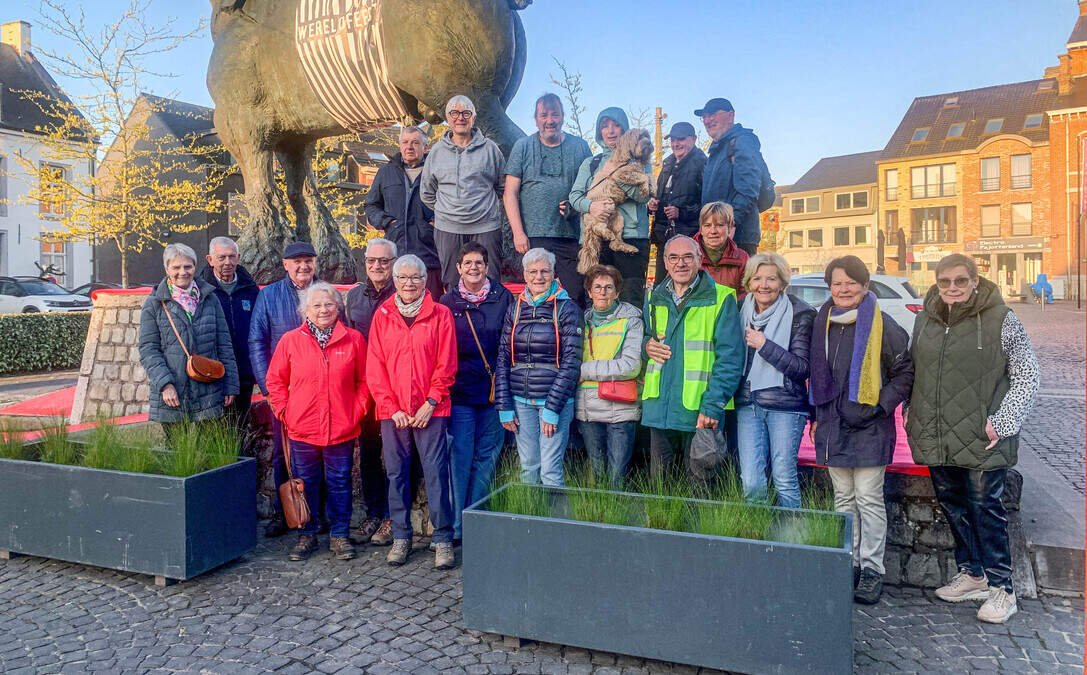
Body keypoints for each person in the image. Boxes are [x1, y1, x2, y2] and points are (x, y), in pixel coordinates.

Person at [907, 254, 1039, 624]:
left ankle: (1003, 588)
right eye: (945, 281)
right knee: (952, 503)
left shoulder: (1001, 319)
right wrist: (908, 409)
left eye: (960, 281)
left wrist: (1004, 421)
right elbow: (913, 366)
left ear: (975, 282)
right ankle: (974, 574)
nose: (952, 288)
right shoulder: (925, 319)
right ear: (936, 282)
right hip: (936, 430)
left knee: (985, 510)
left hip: (984, 435)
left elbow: (1028, 373)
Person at [809, 255, 914, 605]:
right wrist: (816, 419)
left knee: (868, 499)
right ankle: (848, 562)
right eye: (837, 283)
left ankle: (872, 569)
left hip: (870, 427)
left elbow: (905, 374)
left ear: (865, 286)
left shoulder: (884, 327)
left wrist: (880, 405)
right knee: (843, 499)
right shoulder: (822, 323)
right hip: (833, 426)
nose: (843, 289)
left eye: (851, 282)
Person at [366, 254, 458, 570]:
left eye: (415, 277)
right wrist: (392, 408)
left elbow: (447, 364)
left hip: (432, 409)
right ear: (394, 280)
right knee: (396, 474)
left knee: (436, 473)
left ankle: (442, 539)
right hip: (394, 414)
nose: (409, 283)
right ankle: (401, 537)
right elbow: (375, 367)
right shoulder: (383, 315)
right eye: (403, 277)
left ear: (424, 280)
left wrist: (430, 402)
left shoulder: (441, 314)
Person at [265, 282, 369, 562]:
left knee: (339, 482)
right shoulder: (290, 341)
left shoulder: (354, 340)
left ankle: (339, 535)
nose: (323, 310)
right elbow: (275, 381)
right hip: (302, 428)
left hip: (341, 428)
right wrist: (286, 412)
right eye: (317, 305)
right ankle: (307, 535)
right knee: (305, 483)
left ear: (338, 308)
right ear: (305, 310)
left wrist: (355, 411)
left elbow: (364, 382)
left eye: (329, 304)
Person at [641, 235, 743, 477]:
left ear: (700, 260)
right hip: (659, 407)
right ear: (665, 262)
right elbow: (644, 339)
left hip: (699, 409)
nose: (681, 263)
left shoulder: (722, 298)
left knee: (699, 490)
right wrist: (645, 346)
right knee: (659, 489)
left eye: (688, 256)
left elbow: (730, 360)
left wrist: (713, 405)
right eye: (674, 257)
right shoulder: (653, 298)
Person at [439, 242, 514, 541]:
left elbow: (510, 342)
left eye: (479, 263)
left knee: (487, 458)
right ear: (458, 267)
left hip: (495, 392)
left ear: (486, 266)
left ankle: (475, 520)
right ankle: (458, 526)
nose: (473, 268)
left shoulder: (503, 297)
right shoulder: (447, 302)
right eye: (467, 263)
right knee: (460, 458)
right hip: (460, 394)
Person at [249, 241, 319, 538]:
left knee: (319, 453)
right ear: (286, 265)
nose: (303, 267)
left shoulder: (324, 292)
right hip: (285, 390)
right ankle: (282, 512)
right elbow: (257, 341)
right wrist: (268, 387)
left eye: (308, 261)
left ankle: (317, 511)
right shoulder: (269, 296)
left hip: (319, 390)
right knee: (283, 453)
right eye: (297, 262)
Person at [495, 248, 582, 486]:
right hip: (521, 401)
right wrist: (504, 404)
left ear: (554, 274)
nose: (539, 277)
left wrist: (553, 408)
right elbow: (503, 356)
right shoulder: (515, 309)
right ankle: (529, 521)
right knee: (528, 468)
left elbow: (571, 363)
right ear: (524, 274)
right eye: (533, 272)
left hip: (554, 402)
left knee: (551, 471)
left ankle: (552, 522)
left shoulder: (567, 309)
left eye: (544, 271)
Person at [734, 253, 814, 508]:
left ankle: (793, 540)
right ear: (749, 282)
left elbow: (802, 368)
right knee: (751, 481)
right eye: (757, 278)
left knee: (784, 478)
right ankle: (758, 538)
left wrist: (764, 345)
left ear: (782, 282)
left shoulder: (801, 314)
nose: (764, 285)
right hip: (748, 404)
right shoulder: (740, 309)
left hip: (786, 406)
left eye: (771, 279)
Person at [503, 93, 592, 305]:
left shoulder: (580, 147)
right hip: (533, 237)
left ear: (563, 117)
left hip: (571, 236)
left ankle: (572, 336)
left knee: (574, 295)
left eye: (555, 115)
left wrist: (575, 207)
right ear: (536, 119)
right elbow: (510, 193)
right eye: (544, 115)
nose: (549, 120)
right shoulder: (523, 147)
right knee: (537, 294)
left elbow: (591, 190)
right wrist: (518, 233)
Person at [139, 243, 239, 428]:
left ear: (195, 266)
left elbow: (224, 344)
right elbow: (148, 350)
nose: (182, 272)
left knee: (211, 450)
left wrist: (231, 384)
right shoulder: (154, 305)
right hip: (174, 393)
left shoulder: (210, 298)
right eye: (176, 267)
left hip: (209, 388)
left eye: (188, 266)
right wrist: (165, 384)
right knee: (178, 453)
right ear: (167, 268)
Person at [344, 238, 398, 546]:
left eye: (384, 261)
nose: (377, 266)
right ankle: (373, 513)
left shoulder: (402, 294)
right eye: (371, 261)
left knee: (395, 458)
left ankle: (393, 515)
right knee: (367, 455)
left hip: (394, 389)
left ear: (393, 262)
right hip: (364, 389)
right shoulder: (353, 297)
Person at [569, 107, 652, 307]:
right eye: (605, 126)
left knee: (630, 299)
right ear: (599, 131)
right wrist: (592, 206)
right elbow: (574, 197)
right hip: (597, 239)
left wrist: (615, 174)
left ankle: (632, 337)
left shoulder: (641, 160)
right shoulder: (591, 163)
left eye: (616, 125)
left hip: (631, 239)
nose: (611, 131)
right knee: (597, 301)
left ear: (625, 130)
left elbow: (643, 197)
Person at [421, 95, 506, 288]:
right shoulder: (436, 152)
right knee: (452, 282)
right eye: (455, 113)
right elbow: (426, 192)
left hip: (486, 226)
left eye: (466, 113)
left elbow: (502, 187)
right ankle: (455, 318)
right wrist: (447, 210)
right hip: (448, 228)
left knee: (490, 282)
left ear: (473, 118)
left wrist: (483, 207)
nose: (461, 117)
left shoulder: (490, 150)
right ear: (447, 118)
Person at [576, 264, 644, 489]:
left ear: (617, 292)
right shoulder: (581, 322)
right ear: (589, 292)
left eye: (608, 287)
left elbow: (631, 365)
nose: (602, 292)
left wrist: (585, 371)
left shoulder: (631, 320)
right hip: (587, 407)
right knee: (596, 474)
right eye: (597, 287)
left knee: (617, 478)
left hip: (620, 407)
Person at [364, 126, 443, 299]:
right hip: (395, 254)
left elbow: (451, 204)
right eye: (405, 142)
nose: (410, 147)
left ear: (425, 147)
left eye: (415, 142)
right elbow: (371, 206)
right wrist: (387, 223)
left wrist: (434, 223)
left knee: (430, 306)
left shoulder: (437, 172)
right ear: (399, 145)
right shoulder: (385, 172)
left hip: (429, 254)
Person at [198, 236, 259, 431]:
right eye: (221, 257)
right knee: (214, 431)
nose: (227, 262)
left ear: (238, 257)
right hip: (212, 372)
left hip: (244, 373)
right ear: (210, 260)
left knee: (239, 427)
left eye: (232, 257)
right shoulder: (201, 290)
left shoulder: (250, 289)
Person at [697, 97, 763, 255]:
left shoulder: (742, 142)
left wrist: (731, 223)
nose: (707, 120)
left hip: (737, 237)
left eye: (712, 114)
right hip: (717, 236)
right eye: (704, 116)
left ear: (731, 115)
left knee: (738, 280)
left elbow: (749, 187)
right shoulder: (717, 150)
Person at [648, 121, 706, 283]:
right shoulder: (667, 164)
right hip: (664, 238)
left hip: (689, 238)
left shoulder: (702, 163)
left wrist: (681, 212)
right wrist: (652, 205)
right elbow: (657, 195)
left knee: (686, 285)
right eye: (673, 140)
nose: (675, 144)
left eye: (680, 139)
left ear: (693, 139)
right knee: (661, 285)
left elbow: (708, 204)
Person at [695, 202, 748, 298]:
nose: (713, 231)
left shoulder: (742, 258)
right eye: (707, 225)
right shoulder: (686, 255)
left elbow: (746, 295)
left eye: (719, 225)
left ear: (730, 228)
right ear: (701, 229)